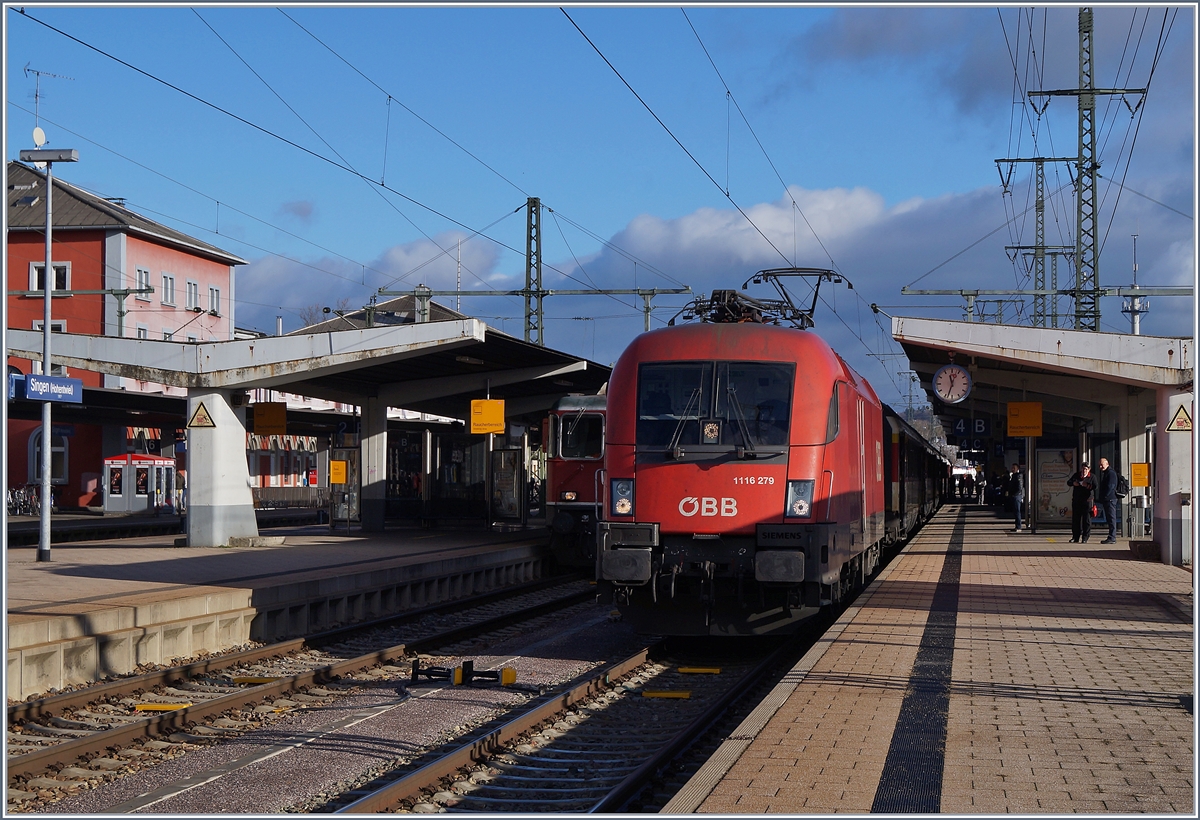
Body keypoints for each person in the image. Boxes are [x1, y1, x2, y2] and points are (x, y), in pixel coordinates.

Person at [1066, 461, 1098, 543]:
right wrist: (1074, 483)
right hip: (1077, 500)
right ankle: (1075, 537)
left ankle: (1085, 537)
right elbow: (1068, 482)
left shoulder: (1092, 477)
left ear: (1089, 469)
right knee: (1076, 520)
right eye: (1083, 469)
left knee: (1086, 520)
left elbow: (1095, 486)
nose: (1084, 471)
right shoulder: (1077, 475)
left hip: (1087, 501)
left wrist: (1086, 485)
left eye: (1086, 469)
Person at [1094, 457, 1119, 544]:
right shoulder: (1106, 473)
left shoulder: (1111, 473)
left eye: (1102, 464)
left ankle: (1112, 537)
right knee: (1110, 518)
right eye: (1099, 465)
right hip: (1108, 499)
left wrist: (1105, 496)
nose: (1100, 467)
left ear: (1107, 464)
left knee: (1111, 518)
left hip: (1110, 499)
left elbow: (1111, 486)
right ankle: (1111, 537)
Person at [1007, 463, 1025, 531]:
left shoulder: (1019, 476)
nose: (1012, 469)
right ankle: (1017, 526)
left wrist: (1014, 494)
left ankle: (1019, 526)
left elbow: (1019, 487)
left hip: (1017, 496)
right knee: (1015, 512)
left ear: (1017, 469)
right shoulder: (1013, 475)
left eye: (1014, 468)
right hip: (1014, 495)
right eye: (1012, 468)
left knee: (1017, 511)